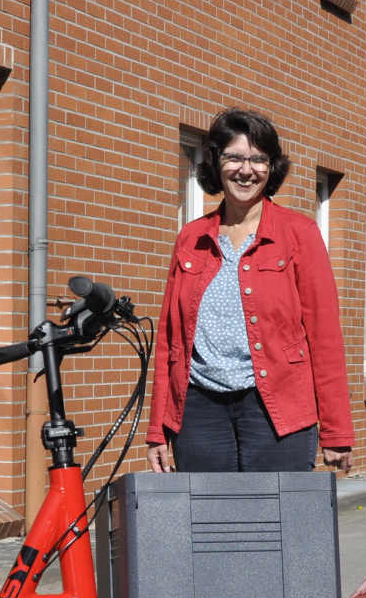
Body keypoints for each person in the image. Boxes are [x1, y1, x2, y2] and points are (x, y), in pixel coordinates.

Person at [145, 109, 354, 474]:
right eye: (235, 157)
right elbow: (170, 341)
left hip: (278, 408)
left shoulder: (298, 234)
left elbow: (324, 337)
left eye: (259, 159)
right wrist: (157, 431)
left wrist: (336, 430)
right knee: (209, 524)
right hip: (198, 410)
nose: (246, 170)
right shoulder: (190, 238)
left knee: (275, 523)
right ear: (215, 161)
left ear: (272, 168)